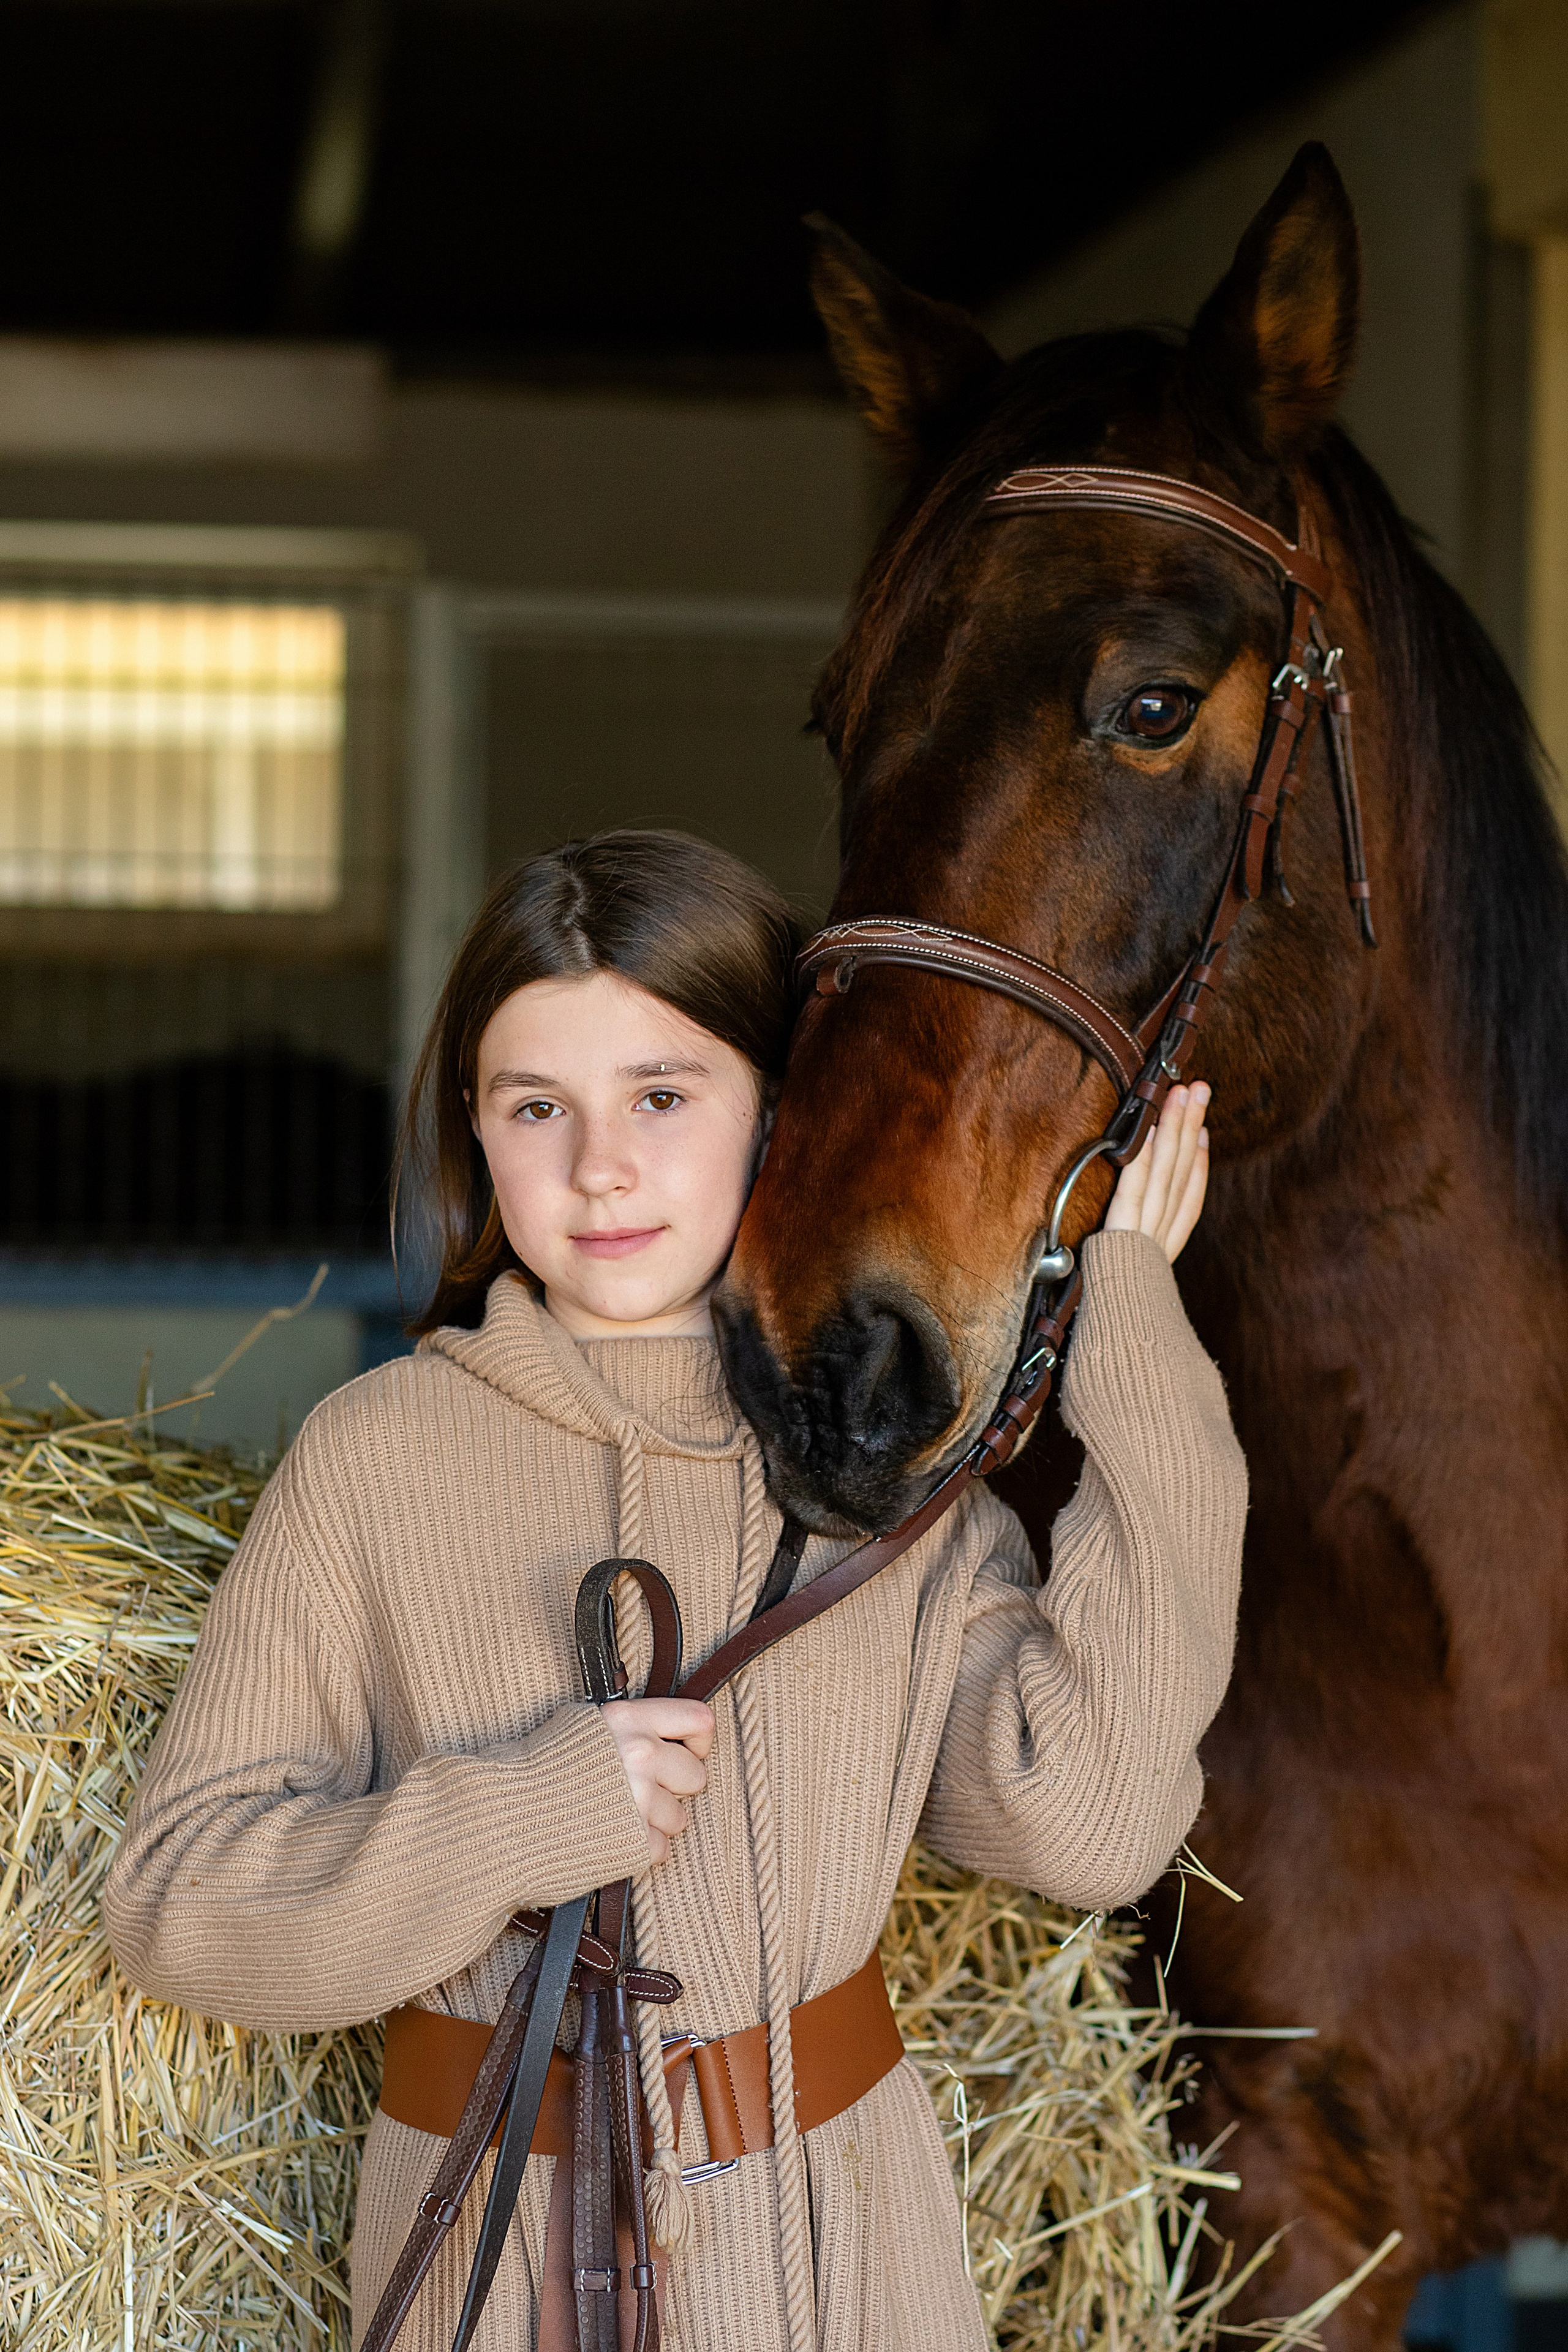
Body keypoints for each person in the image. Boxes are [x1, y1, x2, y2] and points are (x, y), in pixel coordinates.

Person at [104, 828, 1246, 2352]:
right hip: (494, 2271)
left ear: (780, 1105)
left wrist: (1132, 1329)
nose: (599, 1167)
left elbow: (1089, 1823)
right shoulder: (372, 1460)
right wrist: (520, 1813)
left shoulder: (877, 1459)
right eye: (536, 1106)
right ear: (473, 1130)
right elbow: (182, 1912)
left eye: (661, 1094)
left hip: (849, 2266)